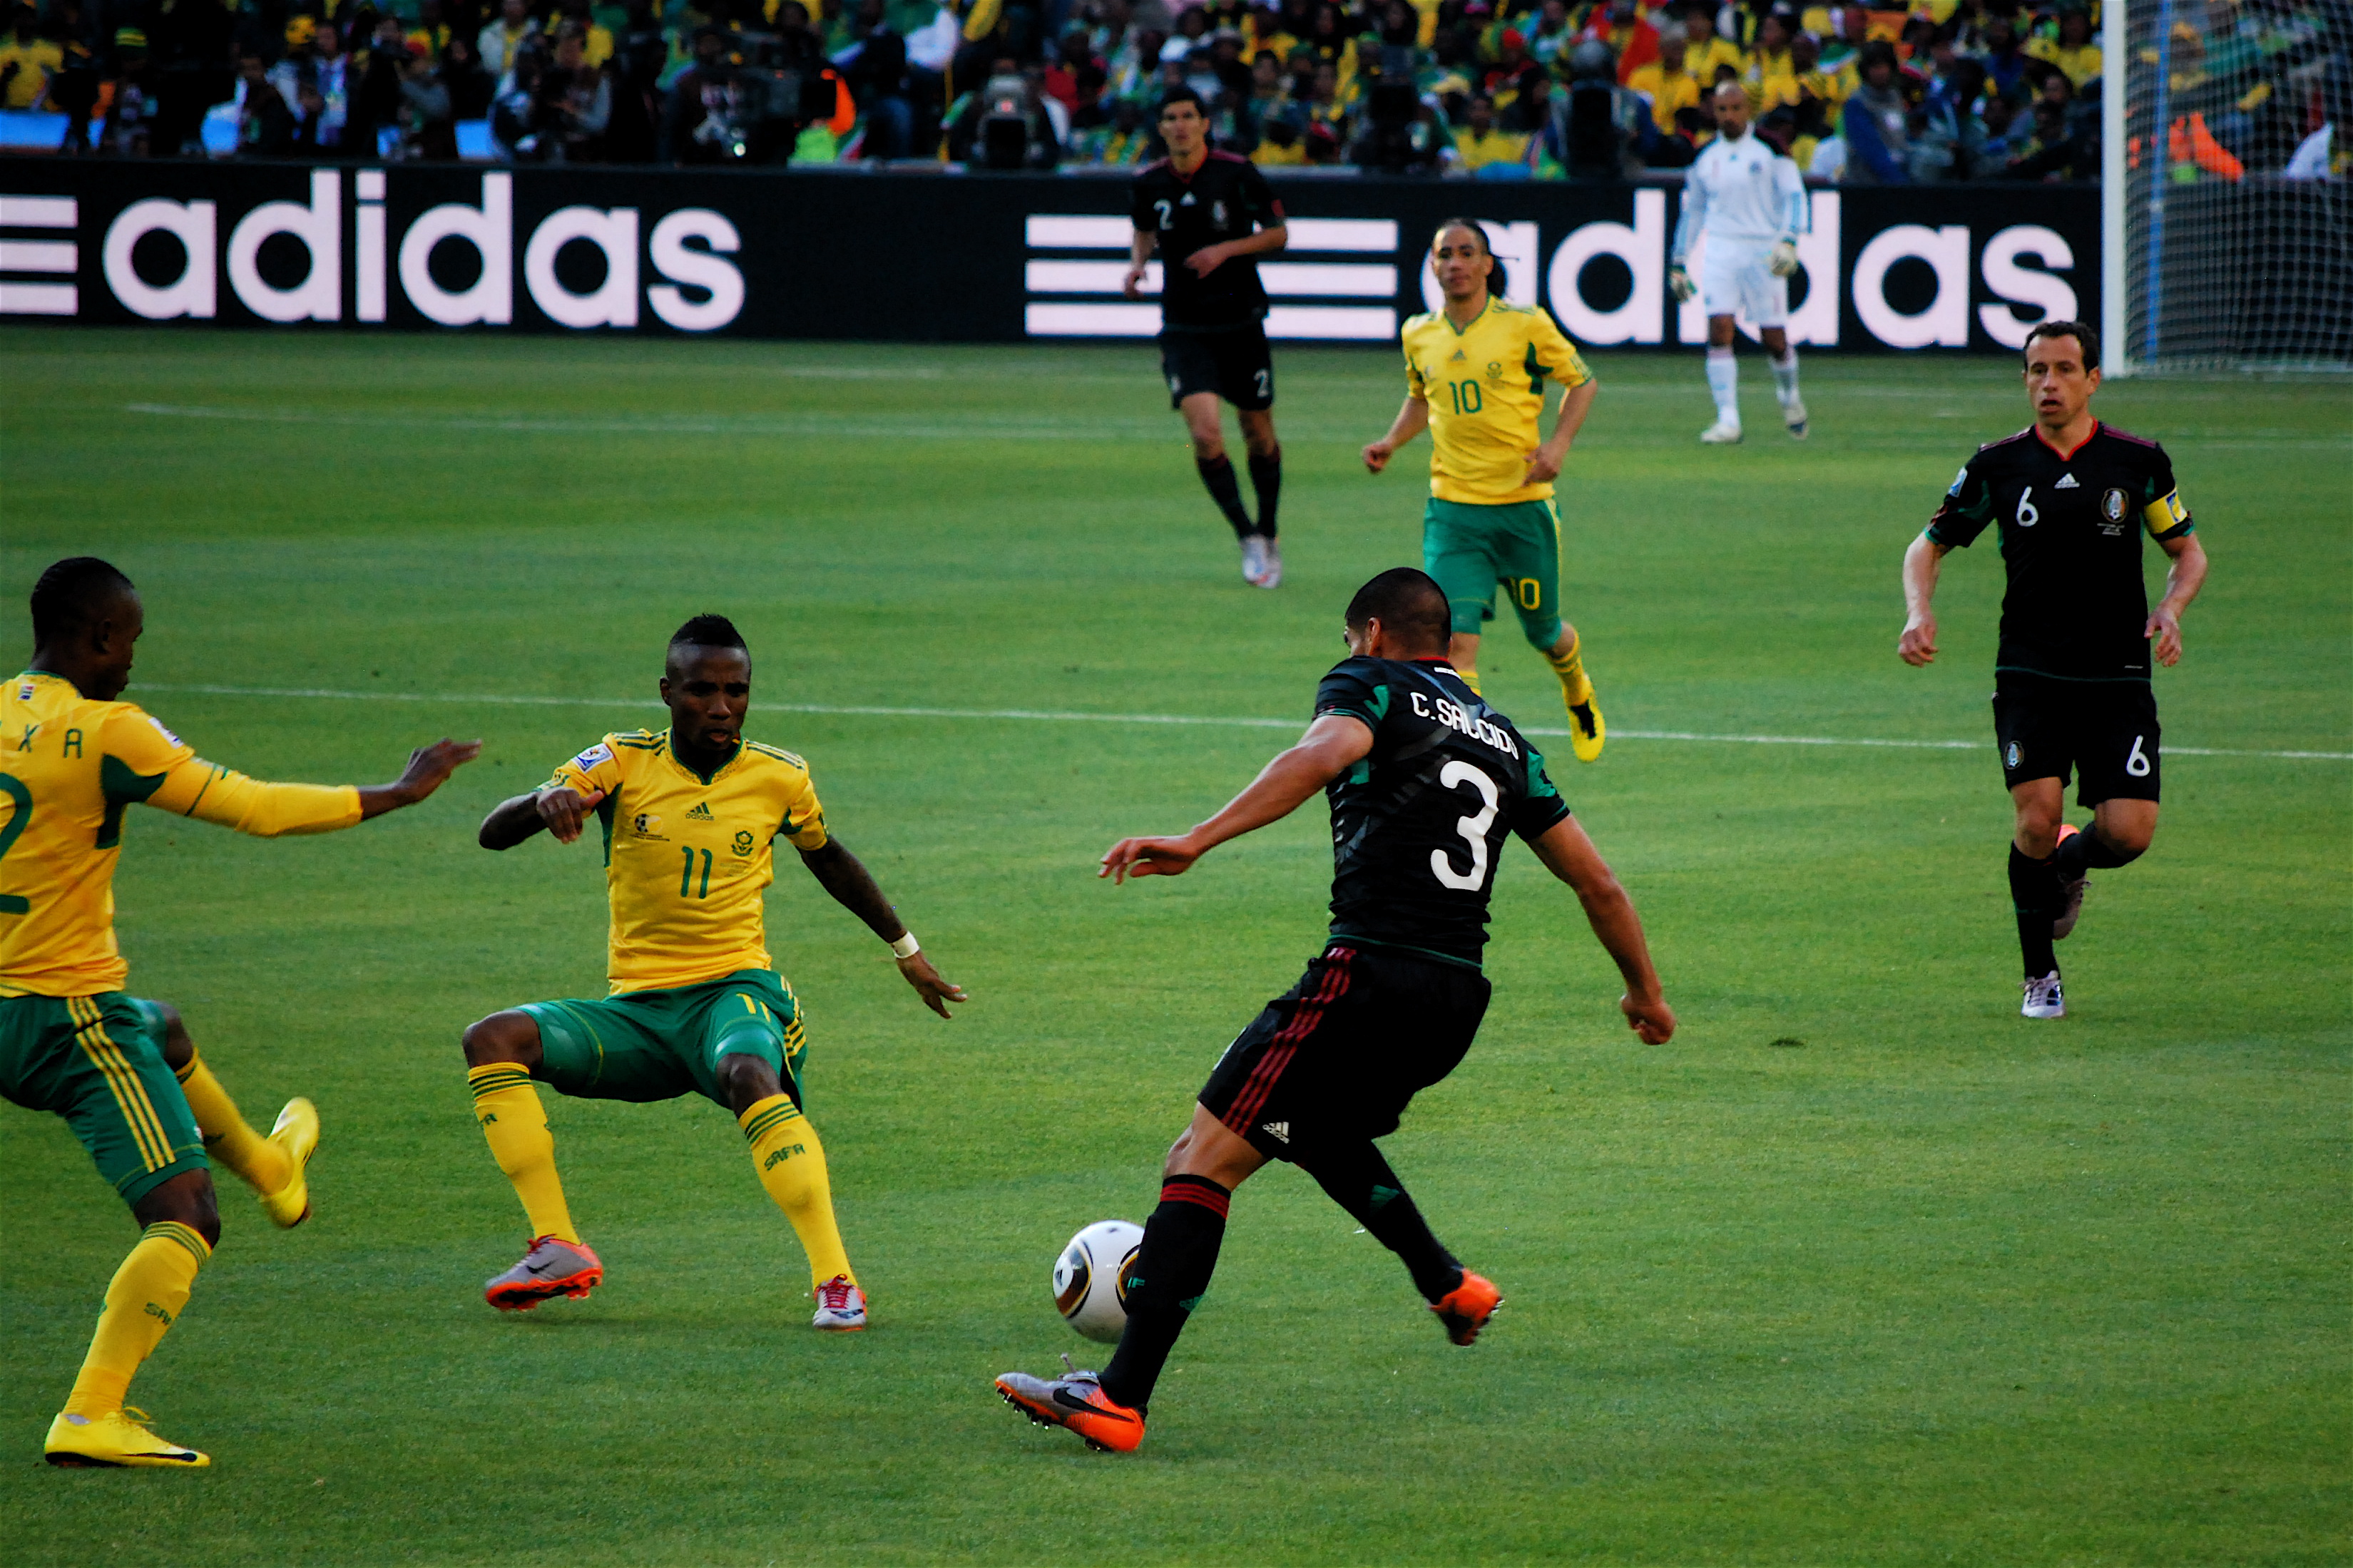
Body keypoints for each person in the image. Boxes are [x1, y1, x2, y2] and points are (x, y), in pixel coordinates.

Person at [993, 568, 1674, 1453]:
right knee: (1303, 1127)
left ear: (1376, 632)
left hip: (1366, 977)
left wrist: (1197, 837)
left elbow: (1320, 754)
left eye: (1350, 640)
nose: (1345, 655)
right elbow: (1597, 881)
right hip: (1453, 1000)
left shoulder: (1369, 683)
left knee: (1201, 1154)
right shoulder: (1506, 741)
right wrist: (1645, 994)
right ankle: (1446, 1283)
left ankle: (1119, 1398)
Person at [4, 558, 478, 1467]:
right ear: (99, 636)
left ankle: (275, 1170)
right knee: (185, 1214)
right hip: (63, 1018)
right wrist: (399, 791)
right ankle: (90, 1414)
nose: (134, 660)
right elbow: (254, 808)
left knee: (164, 1025)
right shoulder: (110, 731)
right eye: (131, 640)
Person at [460, 615, 965, 1330]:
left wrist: (905, 949)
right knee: (492, 1038)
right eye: (702, 690)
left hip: (735, 992)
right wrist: (543, 803)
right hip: (637, 1013)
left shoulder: (778, 775)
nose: (722, 706)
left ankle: (837, 1283)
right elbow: (493, 832)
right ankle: (557, 1246)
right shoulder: (619, 760)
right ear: (668, 692)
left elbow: (827, 856)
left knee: (745, 1073)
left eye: (737, 690)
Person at [1898, 322, 2208, 1020]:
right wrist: (1917, 613)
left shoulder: (2137, 463)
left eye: (2063, 369)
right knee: (2035, 819)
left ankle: (2068, 865)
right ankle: (2038, 975)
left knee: (2127, 834)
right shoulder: (1997, 467)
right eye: (2036, 370)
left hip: (2118, 676)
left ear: (2091, 379)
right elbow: (1926, 546)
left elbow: (2186, 551)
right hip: (2029, 675)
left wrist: (2171, 609)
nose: (2047, 382)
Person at [1360, 220, 1606, 761]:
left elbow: (1582, 382)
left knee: (1546, 634)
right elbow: (1421, 398)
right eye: (1444, 253)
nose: (1454, 262)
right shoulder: (1418, 333)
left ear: (1487, 264)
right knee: (1453, 642)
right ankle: (1468, 751)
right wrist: (1391, 442)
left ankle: (1577, 691)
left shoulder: (1524, 324)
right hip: (1454, 511)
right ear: (1432, 265)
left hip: (1522, 509)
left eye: (1466, 252)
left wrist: (1557, 446)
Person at [1126, 86, 1292, 588]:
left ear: (1204, 123)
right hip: (1183, 326)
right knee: (1204, 434)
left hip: (1241, 321)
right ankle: (1245, 536)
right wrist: (1136, 266)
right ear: (1161, 128)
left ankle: (1269, 529)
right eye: (1170, 118)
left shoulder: (1235, 172)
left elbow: (1279, 232)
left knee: (1258, 435)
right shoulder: (1148, 181)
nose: (1179, 125)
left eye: (1188, 116)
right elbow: (1143, 229)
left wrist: (1225, 251)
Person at [1669, 80, 1810, 444]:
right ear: (1713, 112)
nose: (1728, 116)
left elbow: (1794, 196)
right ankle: (1728, 420)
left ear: (1747, 110)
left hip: (1763, 251)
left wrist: (1790, 240)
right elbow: (1694, 211)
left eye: (1735, 109)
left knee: (1774, 339)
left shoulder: (1770, 147)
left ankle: (1789, 396)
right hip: (1721, 250)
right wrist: (1679, 261)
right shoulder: (1704, 156)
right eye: (1721, 110)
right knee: (1719, 330)